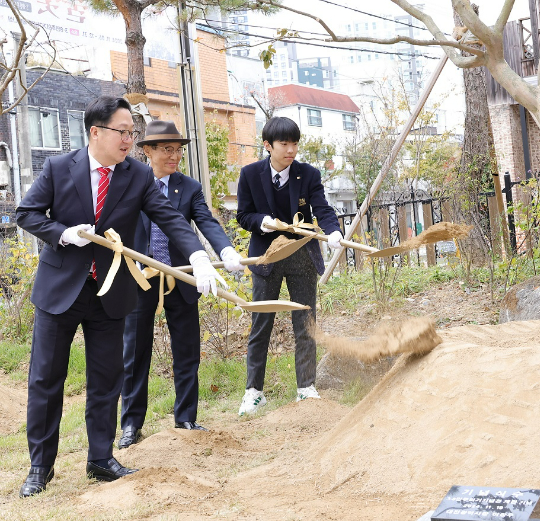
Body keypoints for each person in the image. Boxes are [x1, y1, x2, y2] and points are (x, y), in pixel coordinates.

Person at [15, 96, 224, 497]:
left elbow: (169, 216)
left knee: (106, 379)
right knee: (46, 380)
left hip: (110, 291)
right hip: (61, 289)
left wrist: (198, 255)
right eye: (123, 132)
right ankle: (40, 467)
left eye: (133, 133)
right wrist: (62, 233)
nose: (130, 140)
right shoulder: (60, 168)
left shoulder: (137, 177)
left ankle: (100, 458)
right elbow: (27, 213)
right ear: (96, 132)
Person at [118, 120, 244, 449]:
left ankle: (185, 417)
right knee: (134, 352)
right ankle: (131, 424)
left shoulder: (188, 187)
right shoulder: (130, 182)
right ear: (147, 151)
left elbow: (205, 220)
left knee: (187, 350)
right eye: (166, 150)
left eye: (178, 150)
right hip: (140, 276)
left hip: (185, 275)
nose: (174, 156)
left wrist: (225, 249)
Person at [236, 116, 343, 415]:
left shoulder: (308, 174)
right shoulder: (249, 174)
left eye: (295, 143)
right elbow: (243, 215)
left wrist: (333, 231)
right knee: (261, 325)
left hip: (301, 255)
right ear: (268, 145)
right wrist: (263, 223)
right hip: (266, 257)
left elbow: (321, 207)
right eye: (285, 144)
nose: (291, 150)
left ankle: (306, 388)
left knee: (305, 323)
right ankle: (254, 391)